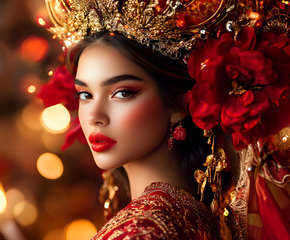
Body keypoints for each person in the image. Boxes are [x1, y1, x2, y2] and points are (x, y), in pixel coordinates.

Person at [39, 0, 290, 239]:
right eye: (85, 94)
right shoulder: (191, 215)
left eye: (123, 93)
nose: (94, 116)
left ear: (179, 103)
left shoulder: (140, 231)